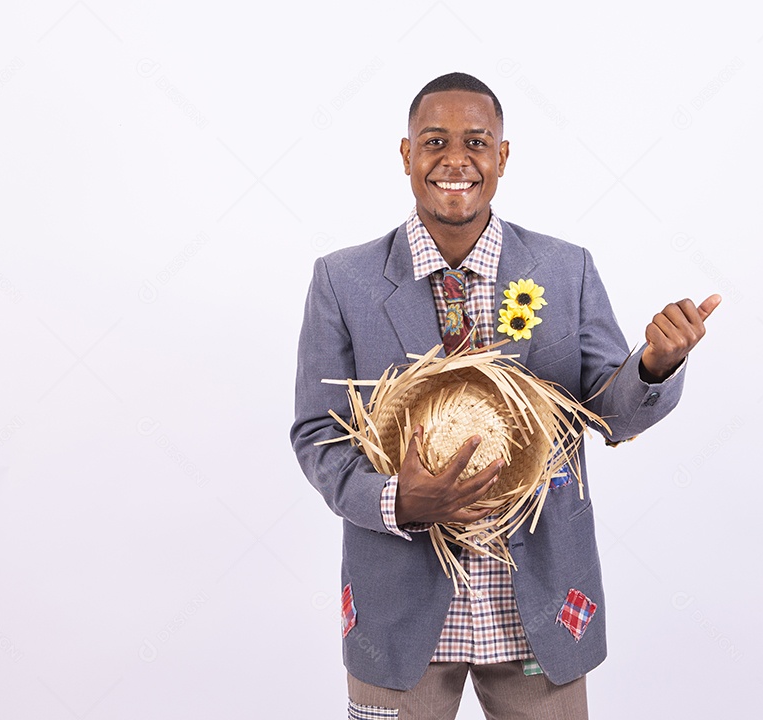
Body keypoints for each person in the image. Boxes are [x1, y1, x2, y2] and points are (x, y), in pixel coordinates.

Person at [291, 72, 719, 720]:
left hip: (540, 605)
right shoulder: (342, 280)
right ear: (406, 154)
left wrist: (654, 365)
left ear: (502, 155)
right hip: (397, 611)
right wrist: (395, 498)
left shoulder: (563, 268)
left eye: (476, 141)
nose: (455, 159)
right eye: (434, 141)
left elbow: (606, 410)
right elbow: (316, 436)